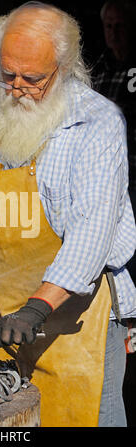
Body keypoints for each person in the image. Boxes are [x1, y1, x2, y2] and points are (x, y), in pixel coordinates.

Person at [0, 1, 136, 427]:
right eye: (7, 73)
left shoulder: (97, 123)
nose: (15, 87)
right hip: (2, 313)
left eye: (32, 79)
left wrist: (36, 310)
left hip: (76, 317)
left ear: (64, 67)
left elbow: (92, 233)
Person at [92, 0, 136, 283]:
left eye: (120, 26)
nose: (114, 33)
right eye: (109, 26)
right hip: (104, 172)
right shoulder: (99, 67)